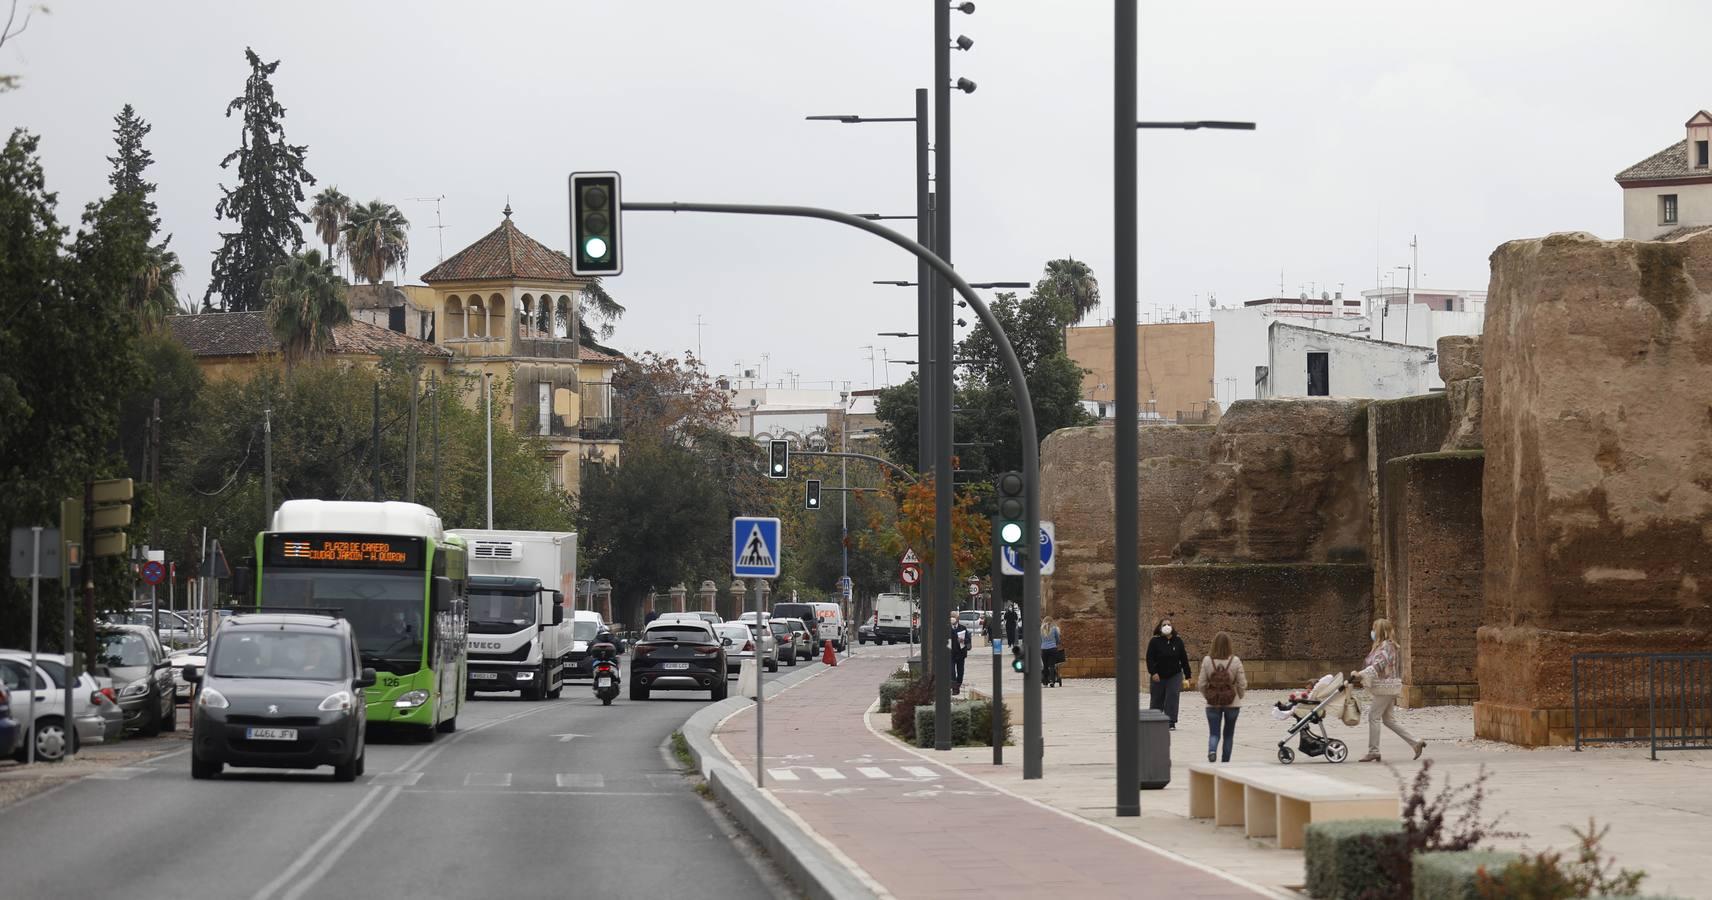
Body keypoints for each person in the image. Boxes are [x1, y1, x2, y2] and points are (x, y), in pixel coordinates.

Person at [1351, 618, 1424, 762]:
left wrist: (1361, 674)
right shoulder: (1386, 646)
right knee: (1389, 720)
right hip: (1388, 687)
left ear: (1378, 631)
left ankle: (1374, 751)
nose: (1371, 631)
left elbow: (1380, 664)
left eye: (1373, 628)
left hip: (1386, 688)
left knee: (1373, 716)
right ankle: (1415, 742)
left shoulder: (1386, 646)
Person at [1199, 631, 1247, 762]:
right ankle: (1225, 762)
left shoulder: (1207, 660)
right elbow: (1242, 683)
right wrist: (1239, 696)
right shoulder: (1235, 661)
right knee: (1228, 734)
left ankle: (1212, 750)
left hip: (1213, 703)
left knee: (1214, 732)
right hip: (1232, 703)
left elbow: (1201, 684)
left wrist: (1208, 696)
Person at [1146, 617, 1191, 730]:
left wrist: (1188, 675)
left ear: (1172, 627)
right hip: (1158, 675)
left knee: (1172, 696)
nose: (1167, 626)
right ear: (1160, 628)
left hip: (1174, 674)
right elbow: (1149, 658)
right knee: (1157, 698)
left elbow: (1184, 659)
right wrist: (1153, 672)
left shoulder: (1178, 641)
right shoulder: (1154, 641)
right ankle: (1154, 719)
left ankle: (1170, 721)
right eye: (1164, 624)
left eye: (1169, 624)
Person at [948, 615, 971, 694]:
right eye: (951, 617)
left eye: (954, 617)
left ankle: (958, 685)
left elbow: (968, 640)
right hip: (950, 653)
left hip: (961, 653)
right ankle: (954, 688)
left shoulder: (963, 628)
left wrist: (963, 640)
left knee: (960, 672)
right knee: (952, 672)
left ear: (957, 619)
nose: (952, 618)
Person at [1039, 615, 1063, 685]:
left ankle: (1045, 681)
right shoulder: (1054, 629)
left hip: (1044, 649)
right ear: (1052, 621)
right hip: (1053, 649)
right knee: (1052, 666)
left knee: (1045, 665)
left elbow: (1040, 639)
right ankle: (1052, 681)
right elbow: (1058, 639)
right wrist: (1057, 643)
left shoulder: (1041, 629)